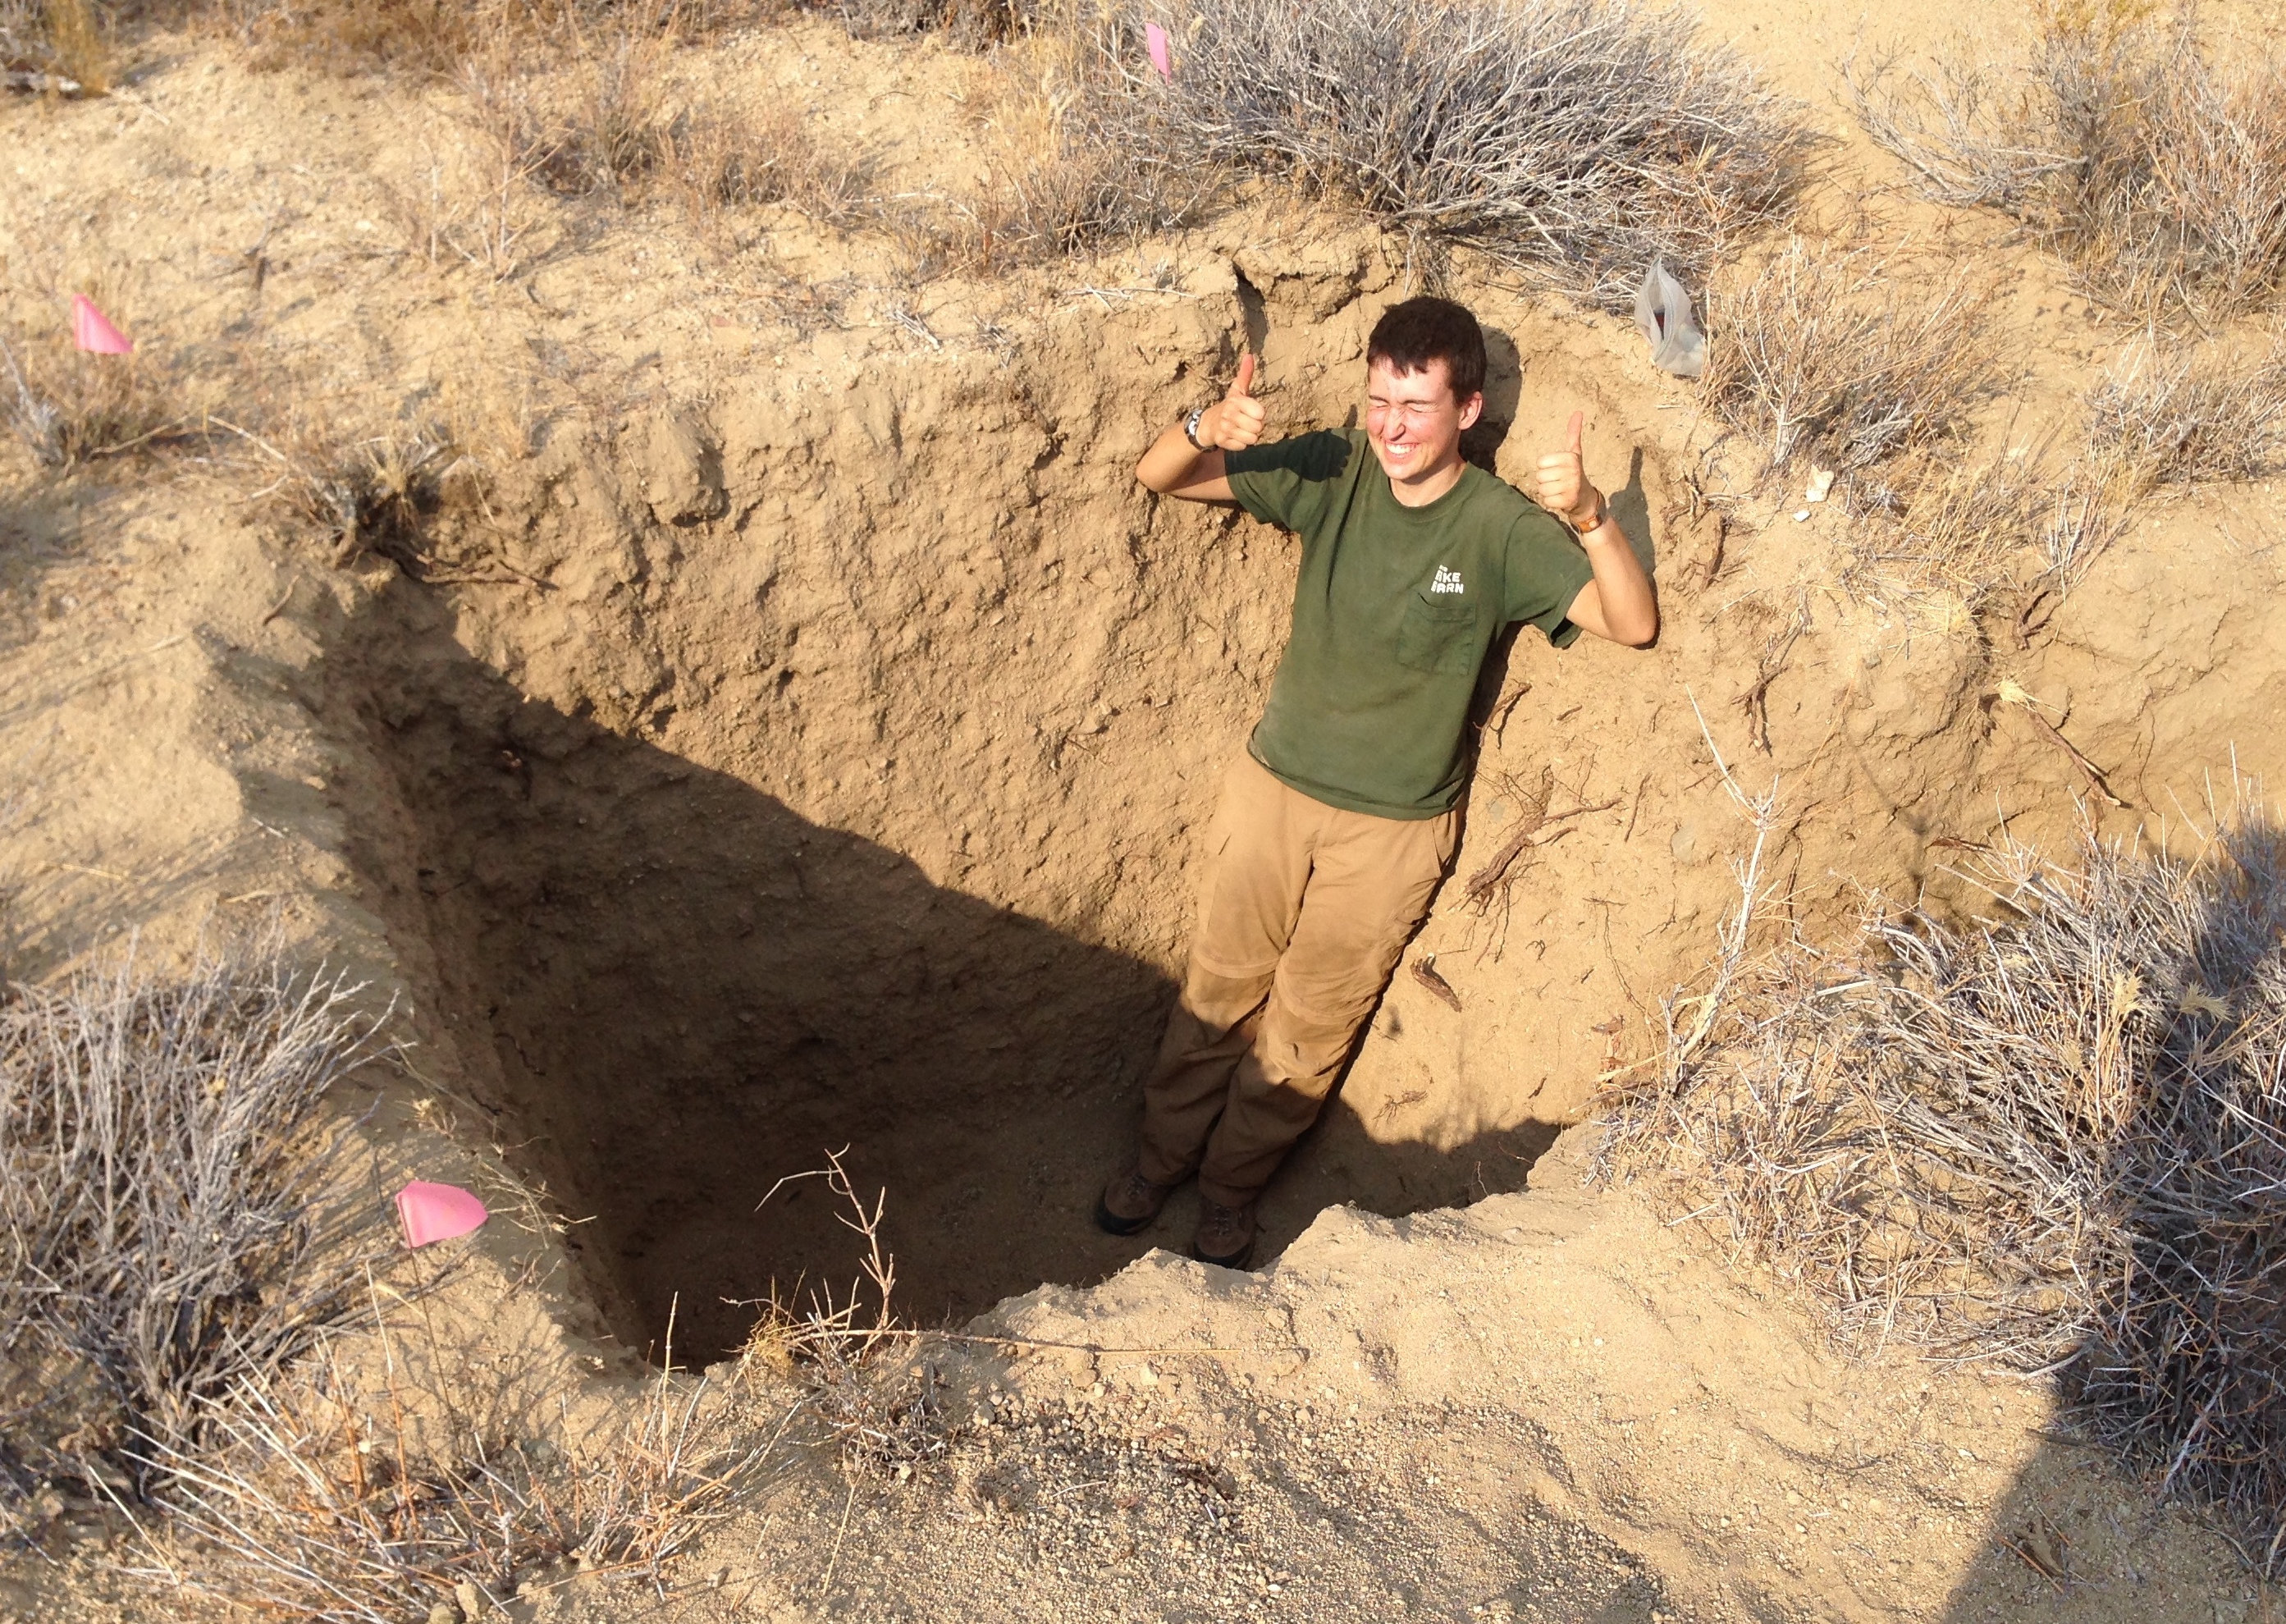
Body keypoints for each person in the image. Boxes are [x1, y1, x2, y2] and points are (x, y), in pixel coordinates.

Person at [1095, 295, 1657, 1269]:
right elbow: (1162, 477)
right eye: (1376, 400)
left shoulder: (1498, 528)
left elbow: (1632, 622)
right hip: (1272, 792)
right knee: (1216, 993)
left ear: (1467, 411)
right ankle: (1155, 1163)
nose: (1390, 426)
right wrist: (1203, 428)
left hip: (1391, 832)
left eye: (1415, 406)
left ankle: (1227, 1196)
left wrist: (1591, 518)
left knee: (1308, 1029)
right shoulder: (1332, 468)